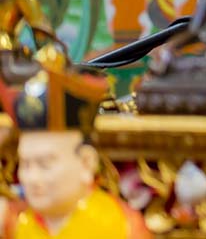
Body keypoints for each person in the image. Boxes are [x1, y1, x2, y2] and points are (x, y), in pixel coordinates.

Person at [0, 52, 150, 238]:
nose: (32, 178)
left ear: (86, 162)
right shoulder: (14, 222)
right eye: (25, 164)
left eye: (44, 164)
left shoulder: (121, 226)